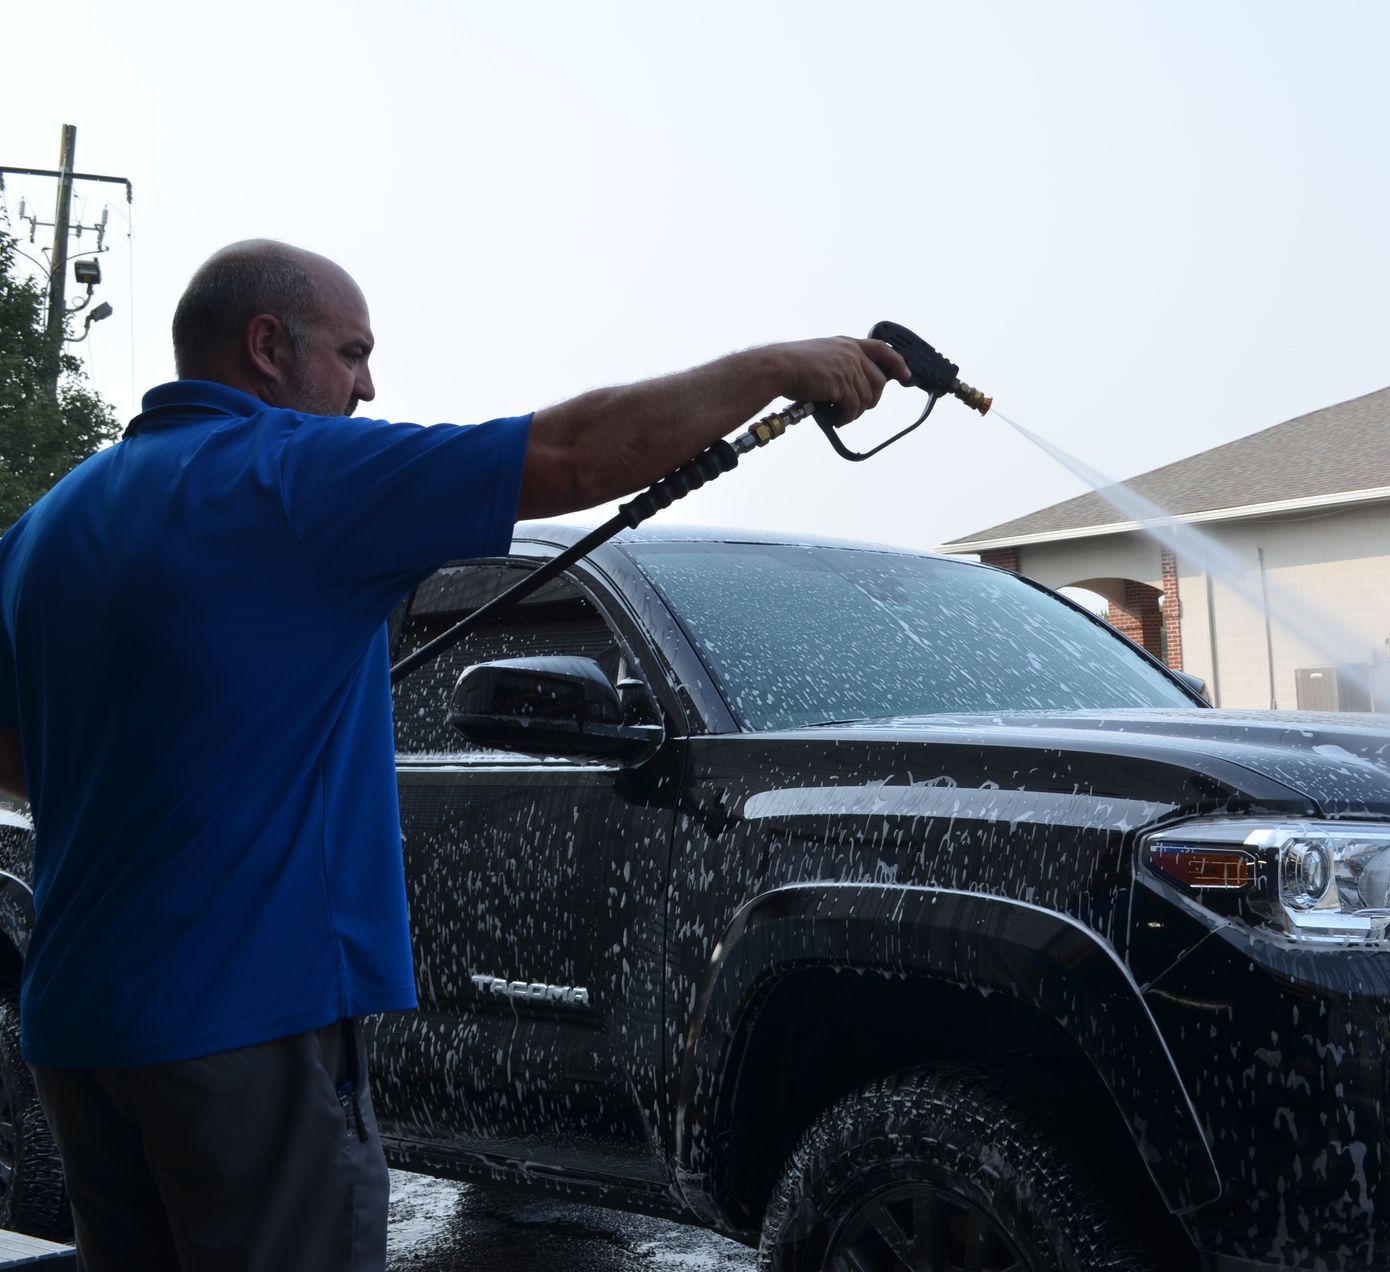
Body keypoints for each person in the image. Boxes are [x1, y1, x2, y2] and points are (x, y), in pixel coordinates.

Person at [0, 240, 909, 1270]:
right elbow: (572, 455)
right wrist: (780, 367)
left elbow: (12, 750)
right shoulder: (293, 474)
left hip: (80, 1025)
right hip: (244, 1020)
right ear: (266, 346)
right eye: (351, 353)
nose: (366, 388)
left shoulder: (47, 528)